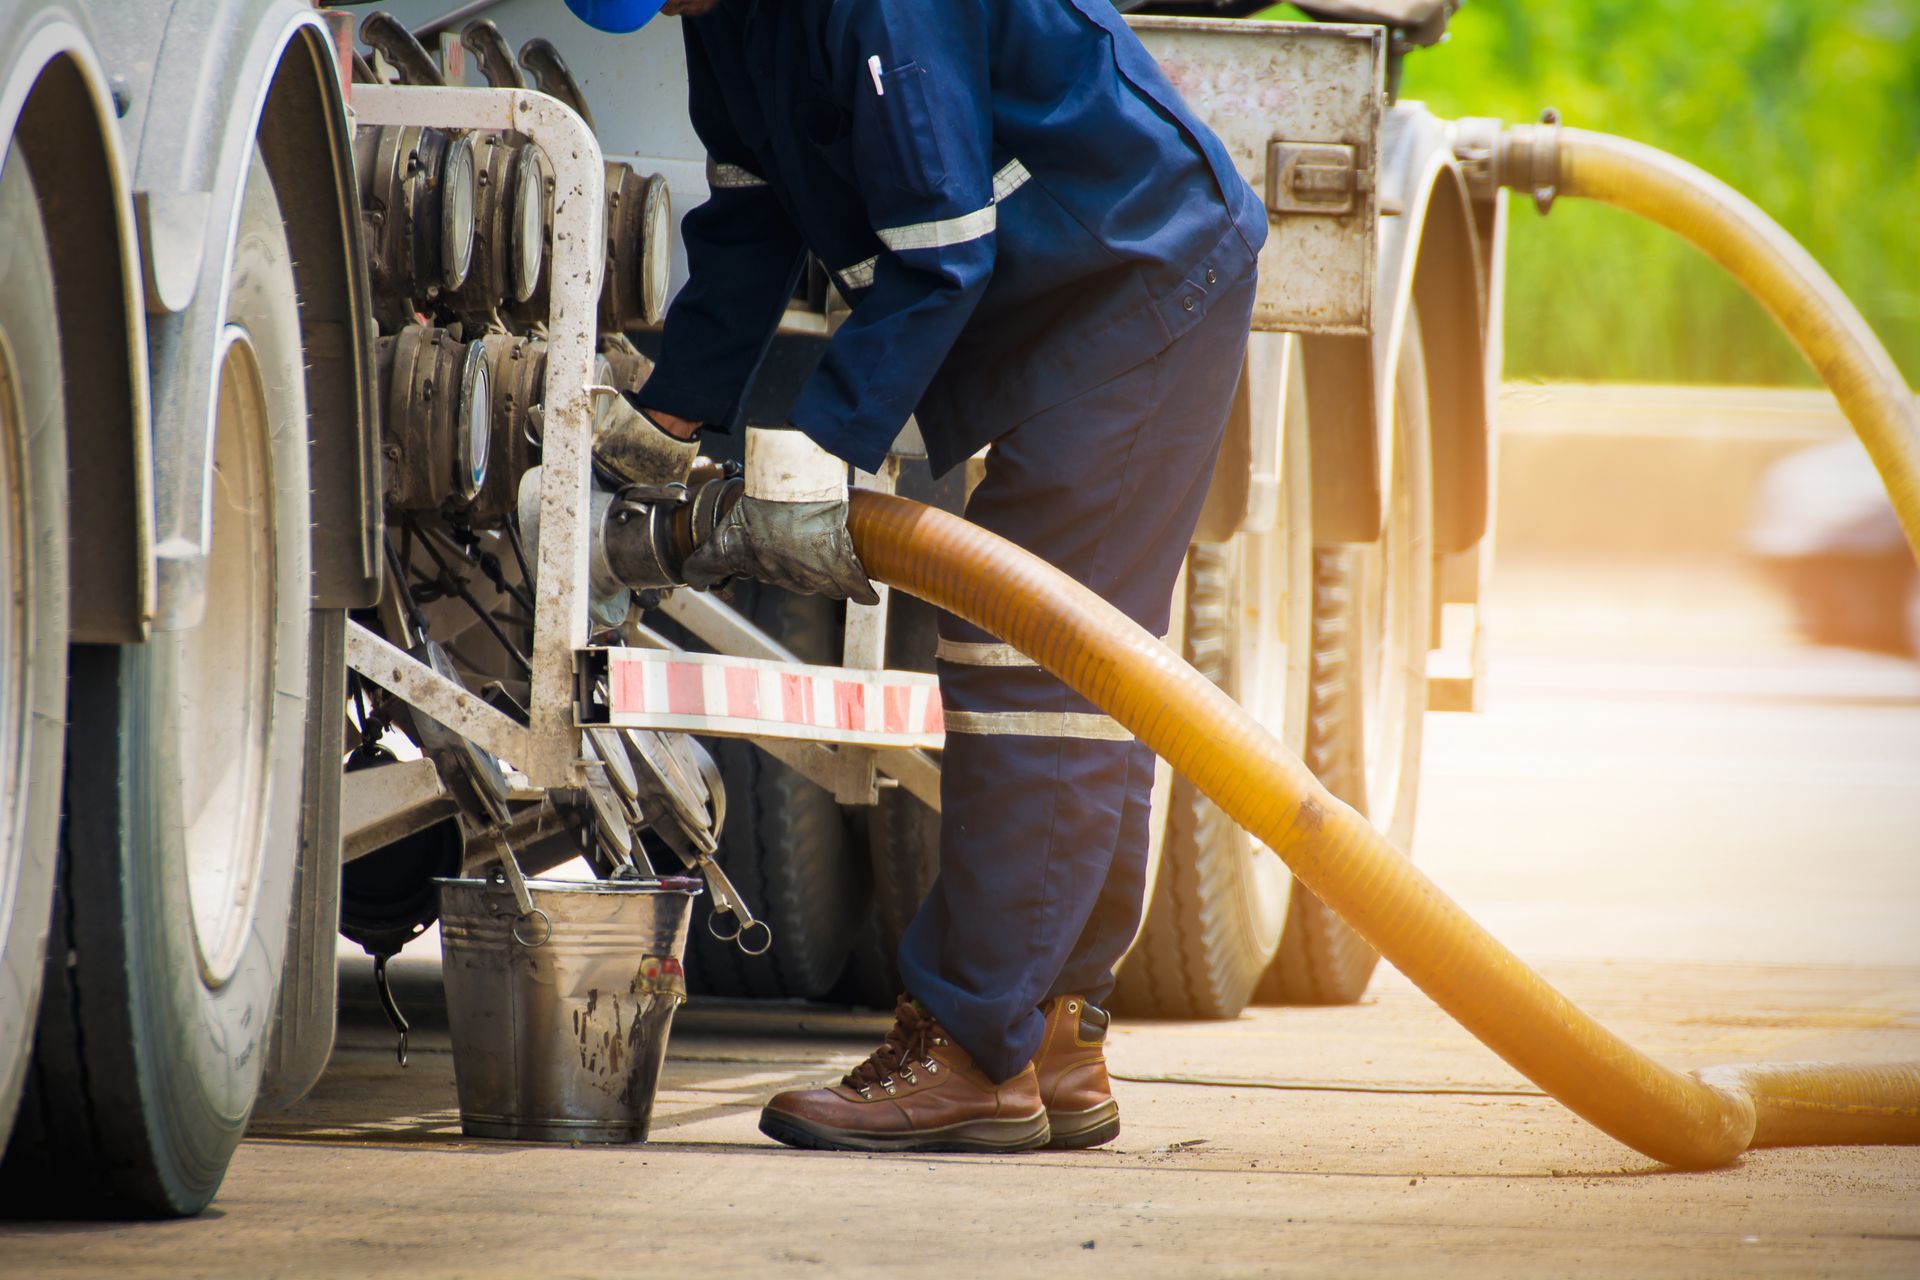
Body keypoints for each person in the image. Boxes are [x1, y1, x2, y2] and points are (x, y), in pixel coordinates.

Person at [568, 0, 1266, 1152]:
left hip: (1133, 284)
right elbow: (752, 222)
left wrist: (821, 446)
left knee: (1031, 672)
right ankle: (1054, 1035)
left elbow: (945, 251)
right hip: (1074, 292)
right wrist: (666, 416)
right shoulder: (727, 18)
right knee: (1088, 671)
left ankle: (971, 1051)